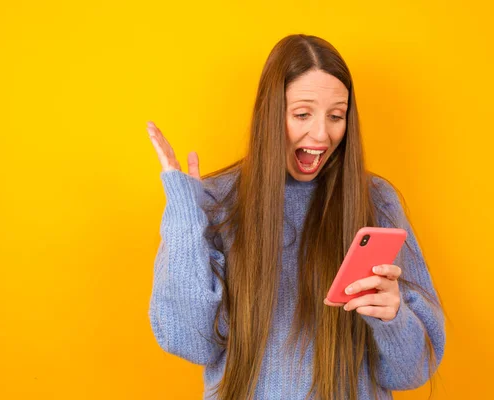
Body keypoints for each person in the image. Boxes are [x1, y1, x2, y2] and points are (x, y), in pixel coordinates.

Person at [147, 34, 445, 400]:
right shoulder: (215, 203)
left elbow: (410, 372)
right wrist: (184, 220)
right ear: (270, 113)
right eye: (302, 114)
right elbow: (190, 340)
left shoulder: (376, 202)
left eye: (336, 116)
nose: (321, 134)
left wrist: (392, 319)